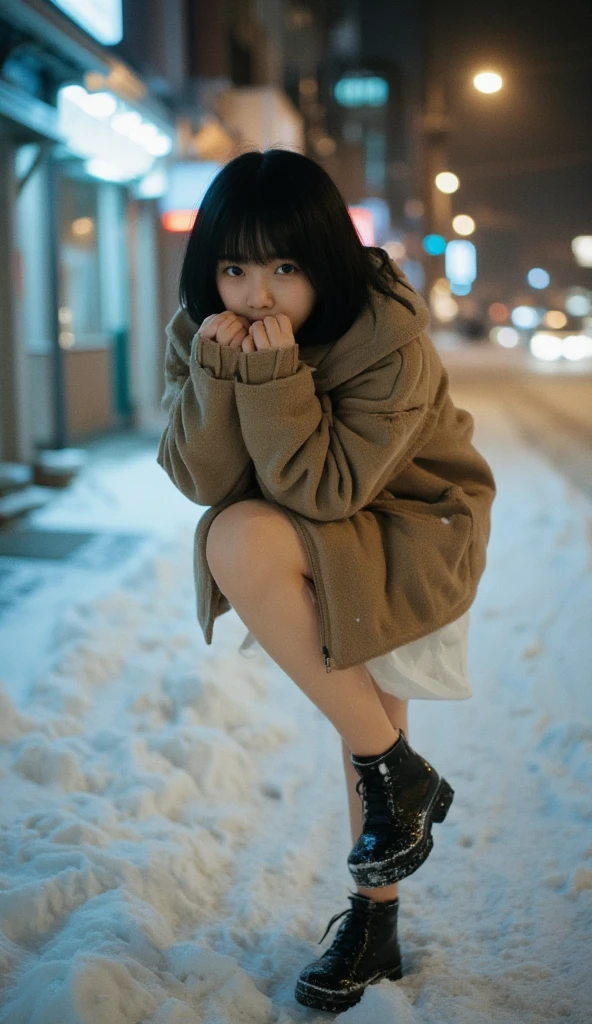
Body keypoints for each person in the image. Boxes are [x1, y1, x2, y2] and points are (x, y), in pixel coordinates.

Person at [157, 148, 496, 1013]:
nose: (256, 294)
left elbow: (330, 489)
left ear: (325, 262)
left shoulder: (390, 341)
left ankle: (377, 898)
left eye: (283, 266)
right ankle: (398, 781)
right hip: (315, 522)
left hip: (415, 522)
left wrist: (268, 377)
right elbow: (204, 482)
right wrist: (220, 373)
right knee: (231, 536)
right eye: (234, 266)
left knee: (372, 690)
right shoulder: (205, 333)